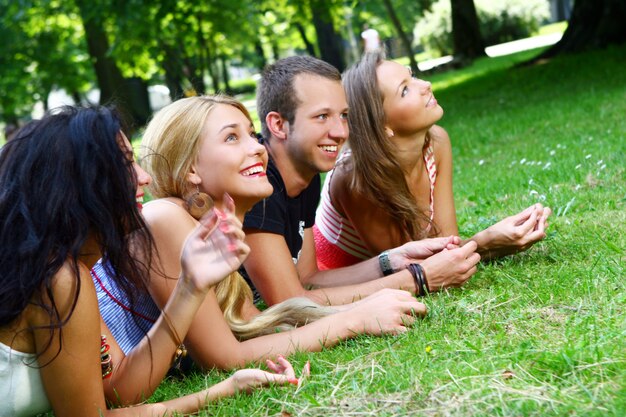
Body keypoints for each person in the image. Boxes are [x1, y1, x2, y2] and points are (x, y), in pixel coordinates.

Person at [0, 106, 301, 417]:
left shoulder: (68, 272)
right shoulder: (58, 277)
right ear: (80, 181)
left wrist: (190, 289)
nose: (144, 177)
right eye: (127, 165)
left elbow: (120, 388)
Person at [94, 94, 427, 371]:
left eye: (252, 134)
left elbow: (254, 327)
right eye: (231, 137)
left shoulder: (219, 233)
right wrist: (355, 320)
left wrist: (368, 301)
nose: (257, 148)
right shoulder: (166, 218)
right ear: (191, 169)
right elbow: (224, 357)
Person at [241, 55, 481, 308]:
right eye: (322, 116)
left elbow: (309, 279)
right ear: (278, 124)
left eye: (343, 115)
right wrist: (418, 279)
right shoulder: (256, 180)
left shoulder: (303, 175)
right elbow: (290, 302)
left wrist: (388, 261)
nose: (341, 132)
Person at [314, 51, 551, 270]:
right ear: (382, 124)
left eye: (413, 76)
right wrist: (487, 242)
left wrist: (484, 242)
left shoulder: (437, 141)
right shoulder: (357, 180)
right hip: (336, 272)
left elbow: (447, 243)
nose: (425, 85)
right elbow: (409, 268)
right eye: (405, 90)